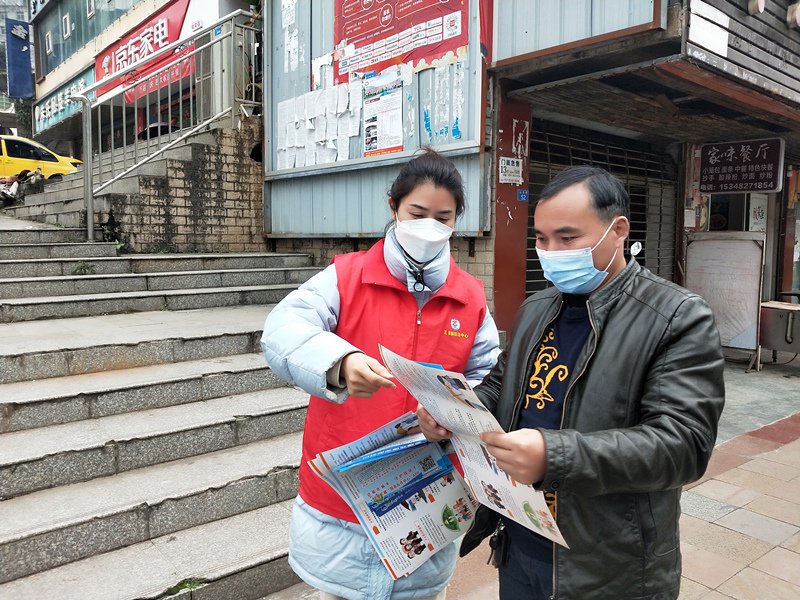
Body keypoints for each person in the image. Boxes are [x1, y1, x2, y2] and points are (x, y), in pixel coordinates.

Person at [419, 165, 725, 600]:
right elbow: (501, 387)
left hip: (606, 564)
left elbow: (683, 446)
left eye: (568, 238)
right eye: (541, 239)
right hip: (520, 540)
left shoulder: (676, 317)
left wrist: (554, 456)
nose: (551, 251)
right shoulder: (537, 309)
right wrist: (447, 410)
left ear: (617, 230)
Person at [261, 148, 501, 600]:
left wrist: (459, 412)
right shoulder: (345, 276)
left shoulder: (469, 297)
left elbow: (489, 375)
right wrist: (340, 362)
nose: (430, 225)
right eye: (417, 212)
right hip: (345, 496)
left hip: (426, 497)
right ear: (393, 208)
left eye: (443, 217)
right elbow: (283, 329)